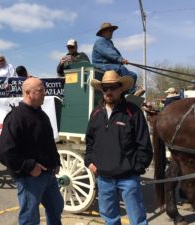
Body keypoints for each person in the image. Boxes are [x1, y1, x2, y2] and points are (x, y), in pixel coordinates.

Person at [84, 70, 153, 225]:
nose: (108, 91)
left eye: (112, 87)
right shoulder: (95, 113)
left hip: (128, 178)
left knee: (138, 220)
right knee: (110, 219)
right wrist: (89, 162)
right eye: (105, 88)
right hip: (104, 179)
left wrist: (136, 168)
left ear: (121, 88)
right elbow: (89, 141)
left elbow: (144, 145)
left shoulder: (133, 112)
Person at [0, 78, 63, 225]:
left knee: (56, 207)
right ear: (27, 93)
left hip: (49, 175)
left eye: (44, 90)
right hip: (30, 178)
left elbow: (49, 142)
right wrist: (30, 166)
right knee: (30, 219)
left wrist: (56, 161)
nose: (44, 94)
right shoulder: (15, 117)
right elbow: (4, 153)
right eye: (40, 91)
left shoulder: (42, 114)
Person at [92, 22, 144, 96]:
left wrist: (120, 60)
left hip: (109, 65)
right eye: (110, 31)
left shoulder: (109, 42)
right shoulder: (100, 41)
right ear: (103, 32)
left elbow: (112, 54)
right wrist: (120, 59)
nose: (112, 33)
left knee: (133, 75)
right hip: (101, 64)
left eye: (112, 31)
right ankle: (131, 92)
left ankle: (126, 93)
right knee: (121, 69)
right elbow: (108, 53)